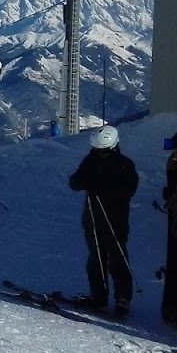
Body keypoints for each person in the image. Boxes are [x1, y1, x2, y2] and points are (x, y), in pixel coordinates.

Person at [68, 125, 139, 316]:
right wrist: (81, 183)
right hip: (92, 217)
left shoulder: (125, 165)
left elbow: (129, 189)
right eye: (97, 150)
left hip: (115, 219)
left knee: (117, 257)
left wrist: (104, 188)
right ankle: (98, 296)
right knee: (96, 257)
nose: (99, 154)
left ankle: (123, 298)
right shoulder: (90, 160)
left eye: (103, 151)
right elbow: (74, 181)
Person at [160, 131, 177, 326]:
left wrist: (173, 197)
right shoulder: (176, 167)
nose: (174, 155)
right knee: (176, 268)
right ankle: (174, 309)